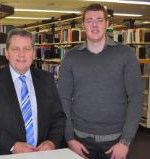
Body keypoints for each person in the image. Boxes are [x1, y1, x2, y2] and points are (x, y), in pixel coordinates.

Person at [58, 3, 143, 159]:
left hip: (116, 142)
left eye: (99, 20)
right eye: (89, 20)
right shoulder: (71, 57)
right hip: (80, 141)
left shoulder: (126, 54)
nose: (95, 25)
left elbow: (136, 98)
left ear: (107, 24)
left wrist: (125, 142)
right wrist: (69, 138)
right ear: (83, 24)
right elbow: (63, 98)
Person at [0, 28, 66, 156]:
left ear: (34, 53)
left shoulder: (47, 79)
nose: (22, 54)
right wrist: (12, 146)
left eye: (27, 49)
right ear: (6, 53)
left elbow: (58, 118)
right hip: (4, 155)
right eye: (15, 49)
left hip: (42, 155)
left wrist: (52, 142)